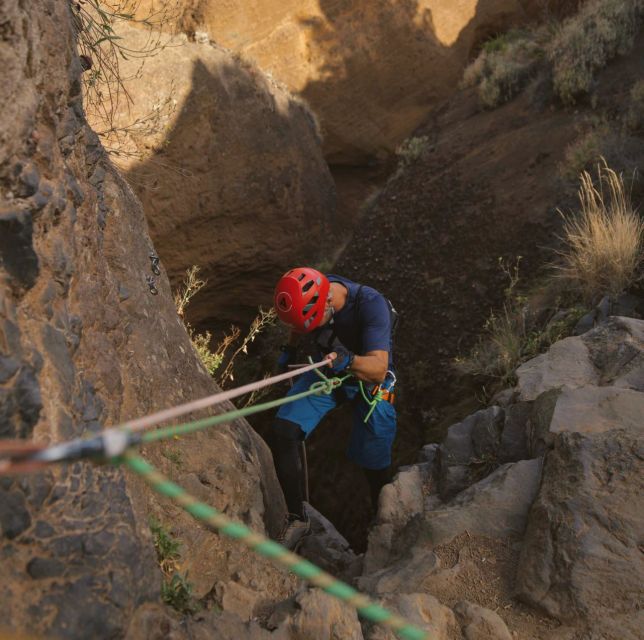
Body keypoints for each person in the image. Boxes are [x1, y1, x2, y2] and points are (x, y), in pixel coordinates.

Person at [270, 266, 397, 549]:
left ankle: (385, 521)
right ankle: (297, 519)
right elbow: (298, 323)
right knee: (284, 428)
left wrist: (348, 361)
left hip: (368, 380)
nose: (308, 332)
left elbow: (378, 368)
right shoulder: (313, 292)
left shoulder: (371, 306)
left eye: (313, 325)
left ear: (327, 303)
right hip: (329, 373)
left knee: (374, 459)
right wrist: (288, 351)